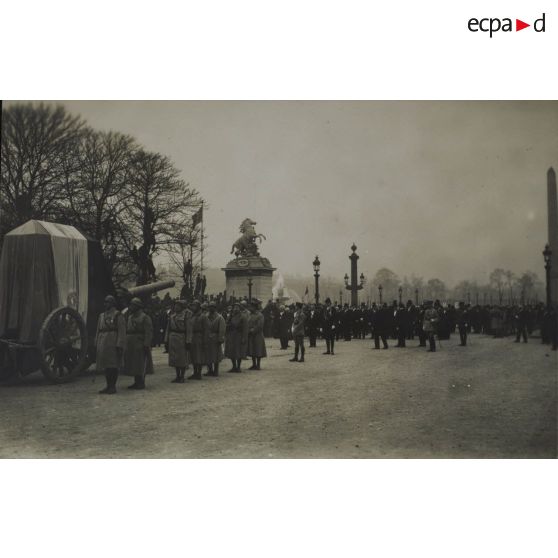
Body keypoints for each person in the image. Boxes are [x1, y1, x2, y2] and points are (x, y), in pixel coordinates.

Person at [95, 295, 126, 394]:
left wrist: (120, 344)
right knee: (106, 365)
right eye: (105, 302)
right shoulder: (101, 315)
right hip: (103, 342)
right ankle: (108, 385)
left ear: (112, 303)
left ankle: (113, 386)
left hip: (112, 342)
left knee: (113, 365)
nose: (105, 304)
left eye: (107, 302)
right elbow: (98, 330)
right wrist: (96, 342)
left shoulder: (118, 315)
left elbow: (121, 331)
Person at [124, 297, 153, 390]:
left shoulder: (145, 317)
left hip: (140, 343)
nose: (130, 307)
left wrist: (146, 343)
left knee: (141, 363)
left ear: (137, 306)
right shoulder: (129, 317)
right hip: (131, 343)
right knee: (134, 363)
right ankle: (136, 382)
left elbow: (149, 332)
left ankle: (141, 382)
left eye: (132, 305)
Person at [165, 299, 191, 383]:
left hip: (181, 338)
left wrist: (188, 341)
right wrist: (166, 339)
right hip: (173, 338)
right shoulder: (172, 316)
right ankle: (177, 376)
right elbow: (168, 329)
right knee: (174, 358)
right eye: (175, 305)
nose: (176, 307)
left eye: (178, 306)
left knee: (182, 358)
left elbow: (189, 329)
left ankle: (182, 376)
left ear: (182, 307)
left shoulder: (186, 316)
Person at [188, 300, 210, 380]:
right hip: (193, 337)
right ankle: (195, 372)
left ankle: (198, 373)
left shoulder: (203, 316)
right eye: (192, 306)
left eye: (194, 306)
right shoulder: (192, 316)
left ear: (198, 307)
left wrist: (205, 340)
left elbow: (207, 329)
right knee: (193, 356)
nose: (192, 308)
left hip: (199, 337)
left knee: (199, 356)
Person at [225, 302, 248, 372]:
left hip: (239, 335)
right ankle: (234, 366)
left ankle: (238, 367)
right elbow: (226, 324)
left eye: (237, 307)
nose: (235, 309)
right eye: (234, 307)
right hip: (231, 335)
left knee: (238, 352)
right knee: (231, 351)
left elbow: (245, 328)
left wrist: (244, 337)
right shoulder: (230, 316)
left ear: (240, 308)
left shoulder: (243, 317)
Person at [205, 301, 226, 376]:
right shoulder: (206, 316)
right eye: (210, 307)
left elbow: (222, 329)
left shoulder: (220, 317)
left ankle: (216, 371)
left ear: (215, 308)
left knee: (216, 355)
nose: (211, 308)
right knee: (208, 355)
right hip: (207, 338)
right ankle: (210, 370)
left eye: (212, 307)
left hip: (215, 337)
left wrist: (220, 338)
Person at [247, 299, 267, 370]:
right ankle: (254, 364)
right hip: (251, 335)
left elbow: (260, 326)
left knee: (258, 349)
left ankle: (258, 365)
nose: (250, 308)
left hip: (258, 335)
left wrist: (253, 330)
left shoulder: (260, 315)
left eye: (251, 307)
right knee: (252, 350)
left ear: (254, 307)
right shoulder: (250, 315)